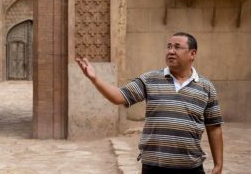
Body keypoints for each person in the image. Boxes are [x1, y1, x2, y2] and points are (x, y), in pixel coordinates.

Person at [76, 32, 223, 174]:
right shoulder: (149, 79)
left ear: (192, 54)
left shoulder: (206, 87)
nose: (171, 51)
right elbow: (118, 97)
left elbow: (214, 127)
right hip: (154, 166)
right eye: (169, 46)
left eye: (177, 47)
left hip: (191, 167)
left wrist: (218, 164)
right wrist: (95, 79)